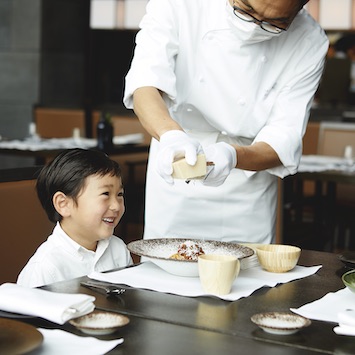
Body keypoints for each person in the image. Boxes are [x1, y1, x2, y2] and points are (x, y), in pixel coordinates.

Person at [123, 0, 329, 245]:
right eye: (246, 10)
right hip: (177, 172)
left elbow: (283, 138)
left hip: (247, 187)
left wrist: (232, 156)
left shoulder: (309, 41)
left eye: (275, 24)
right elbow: (145, 85)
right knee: (168, 268)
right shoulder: (180, 4)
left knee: (250, 276)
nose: (254, 27)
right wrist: (171, 136)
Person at [17, 148, 132, 288]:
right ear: (63, 204)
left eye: (119, 194)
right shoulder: (46, 268)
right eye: (105, 194)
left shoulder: (119, 249)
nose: (116, 206)